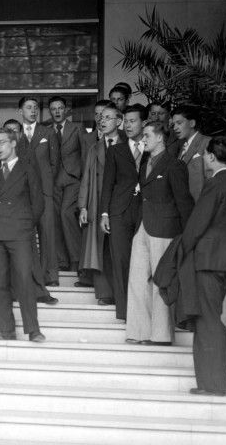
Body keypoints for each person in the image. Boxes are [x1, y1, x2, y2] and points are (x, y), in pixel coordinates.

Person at [181, 137, 226, 396]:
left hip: (207, 260)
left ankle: (213, 385)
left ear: (211, 157)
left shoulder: (213, 185)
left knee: (207, 320)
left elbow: (198, 223)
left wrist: (181, 250)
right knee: (209, 315)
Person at [125, 121, 194, 345]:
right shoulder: (146, 162)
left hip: (165, 229)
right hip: (142, 228)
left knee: (160, 282)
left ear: (160, 138)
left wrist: (188, 236)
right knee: (137, 281)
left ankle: (161, 336)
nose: (142, 139)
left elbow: (184, 202)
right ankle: (138, 332)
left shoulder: (174, 165)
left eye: (146, 135)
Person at [0, 129, 45, 342]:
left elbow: (38, 202)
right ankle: (5, 329)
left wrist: (27, 226)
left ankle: (33, 329)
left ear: (13, 143)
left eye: (2, 142)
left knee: (24, 280)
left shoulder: (27, 168)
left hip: (20, 231)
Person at [100, 104, 148, 320]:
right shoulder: (115, 150)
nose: (127, 125)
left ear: (143, 123)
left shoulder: (153, 147)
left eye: (132, 121)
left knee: (143, 261)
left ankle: (142, 310)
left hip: (146, 211)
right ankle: (124, 311)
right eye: (125, 121)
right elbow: (108, 184)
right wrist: (104, 213)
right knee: (120, 260)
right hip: (119, 211)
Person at [77, 104, 125, 305]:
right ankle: (105, 293)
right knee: (98, 247)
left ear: (119, 121)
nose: (102, 121)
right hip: (97, 202)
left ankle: (120, 293)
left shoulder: (128, 144)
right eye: (101, 118)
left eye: (107, 117)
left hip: (121, 201)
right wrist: (83, 207)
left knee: (119, 248)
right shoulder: (94, 148)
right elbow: (86, 178)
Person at [17, 97, 60, 287]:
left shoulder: (47, 132)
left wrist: (48, 185)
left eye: (35, 108)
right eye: (28, 108)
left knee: (47, 232)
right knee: (24, 234)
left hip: (44, 190)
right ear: (20, 111)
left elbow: (55, 162)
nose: (33, 111)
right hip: (22, 191)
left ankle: (50, 275)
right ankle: (27, 276)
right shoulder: (15, 133)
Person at [48, 96, 85, 276]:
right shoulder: (46, 131)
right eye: (53, 109)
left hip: (73, 178)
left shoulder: (77, 128)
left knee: (66, 213)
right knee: (55, 219)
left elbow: (85, 154)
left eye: (60, 108)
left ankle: (76, 259)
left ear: (66, 110)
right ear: (49, 111)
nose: (57, 112)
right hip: (53, 181)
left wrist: (84, 179)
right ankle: (61, 260)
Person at [169, 104, 211, 201]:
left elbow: (213, 181)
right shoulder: (183, 147)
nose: (175, 128)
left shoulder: (207, 143)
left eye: (179, 123)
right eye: (173, 124)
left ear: (192, 123)